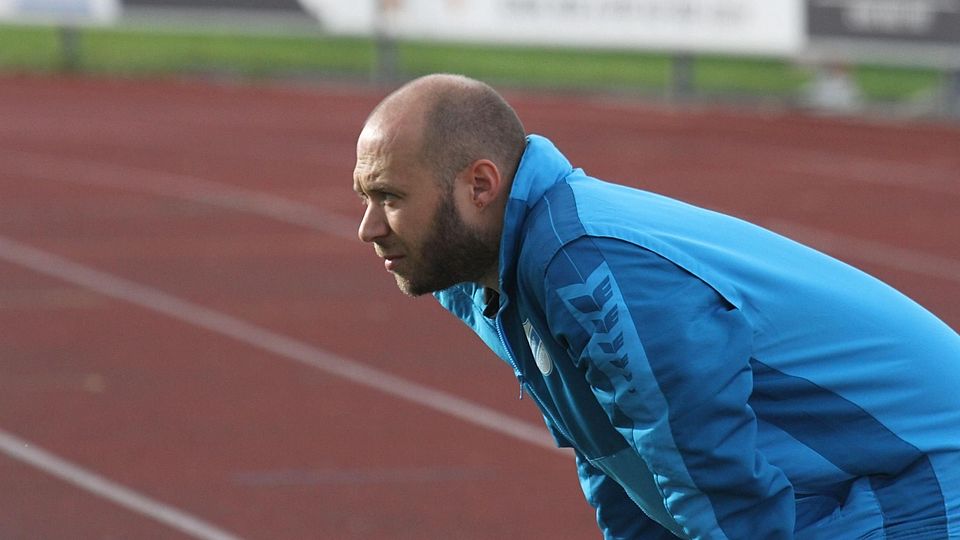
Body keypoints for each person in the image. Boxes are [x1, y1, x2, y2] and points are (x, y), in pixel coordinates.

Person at [351, 73, 960, 539]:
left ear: (479, 186)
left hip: (933, 472)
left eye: (389, 197)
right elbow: (613, 457)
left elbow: (710, 474)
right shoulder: (495, 281)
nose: (368, 227)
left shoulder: (584, 265)